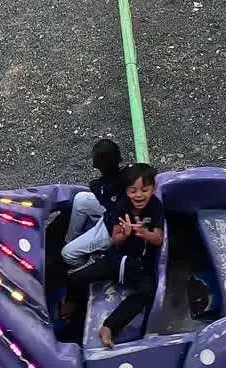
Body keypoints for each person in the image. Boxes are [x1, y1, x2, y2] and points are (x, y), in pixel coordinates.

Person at [65, 163, 164, 348]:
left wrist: (144, 233)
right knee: (74, 277)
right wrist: (125, 234)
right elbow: (115, 239)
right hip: (116, 259)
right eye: (133, 191)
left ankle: (110, 326)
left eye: (145, 190)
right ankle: (72, 302)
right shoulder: (122, 206)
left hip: (140, 264)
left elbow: (158, 238)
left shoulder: (155, 207)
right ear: (126, 191)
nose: (139, 195)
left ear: (153, 189)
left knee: (146, 293)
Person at [61, 139, 126, 267]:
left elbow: (106, 198)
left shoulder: (102, 187)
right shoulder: (123, 176)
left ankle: (88, 263)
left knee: (67, 254)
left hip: (115, 226)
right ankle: (70, 241)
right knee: (81, 199)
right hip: (113, 212)